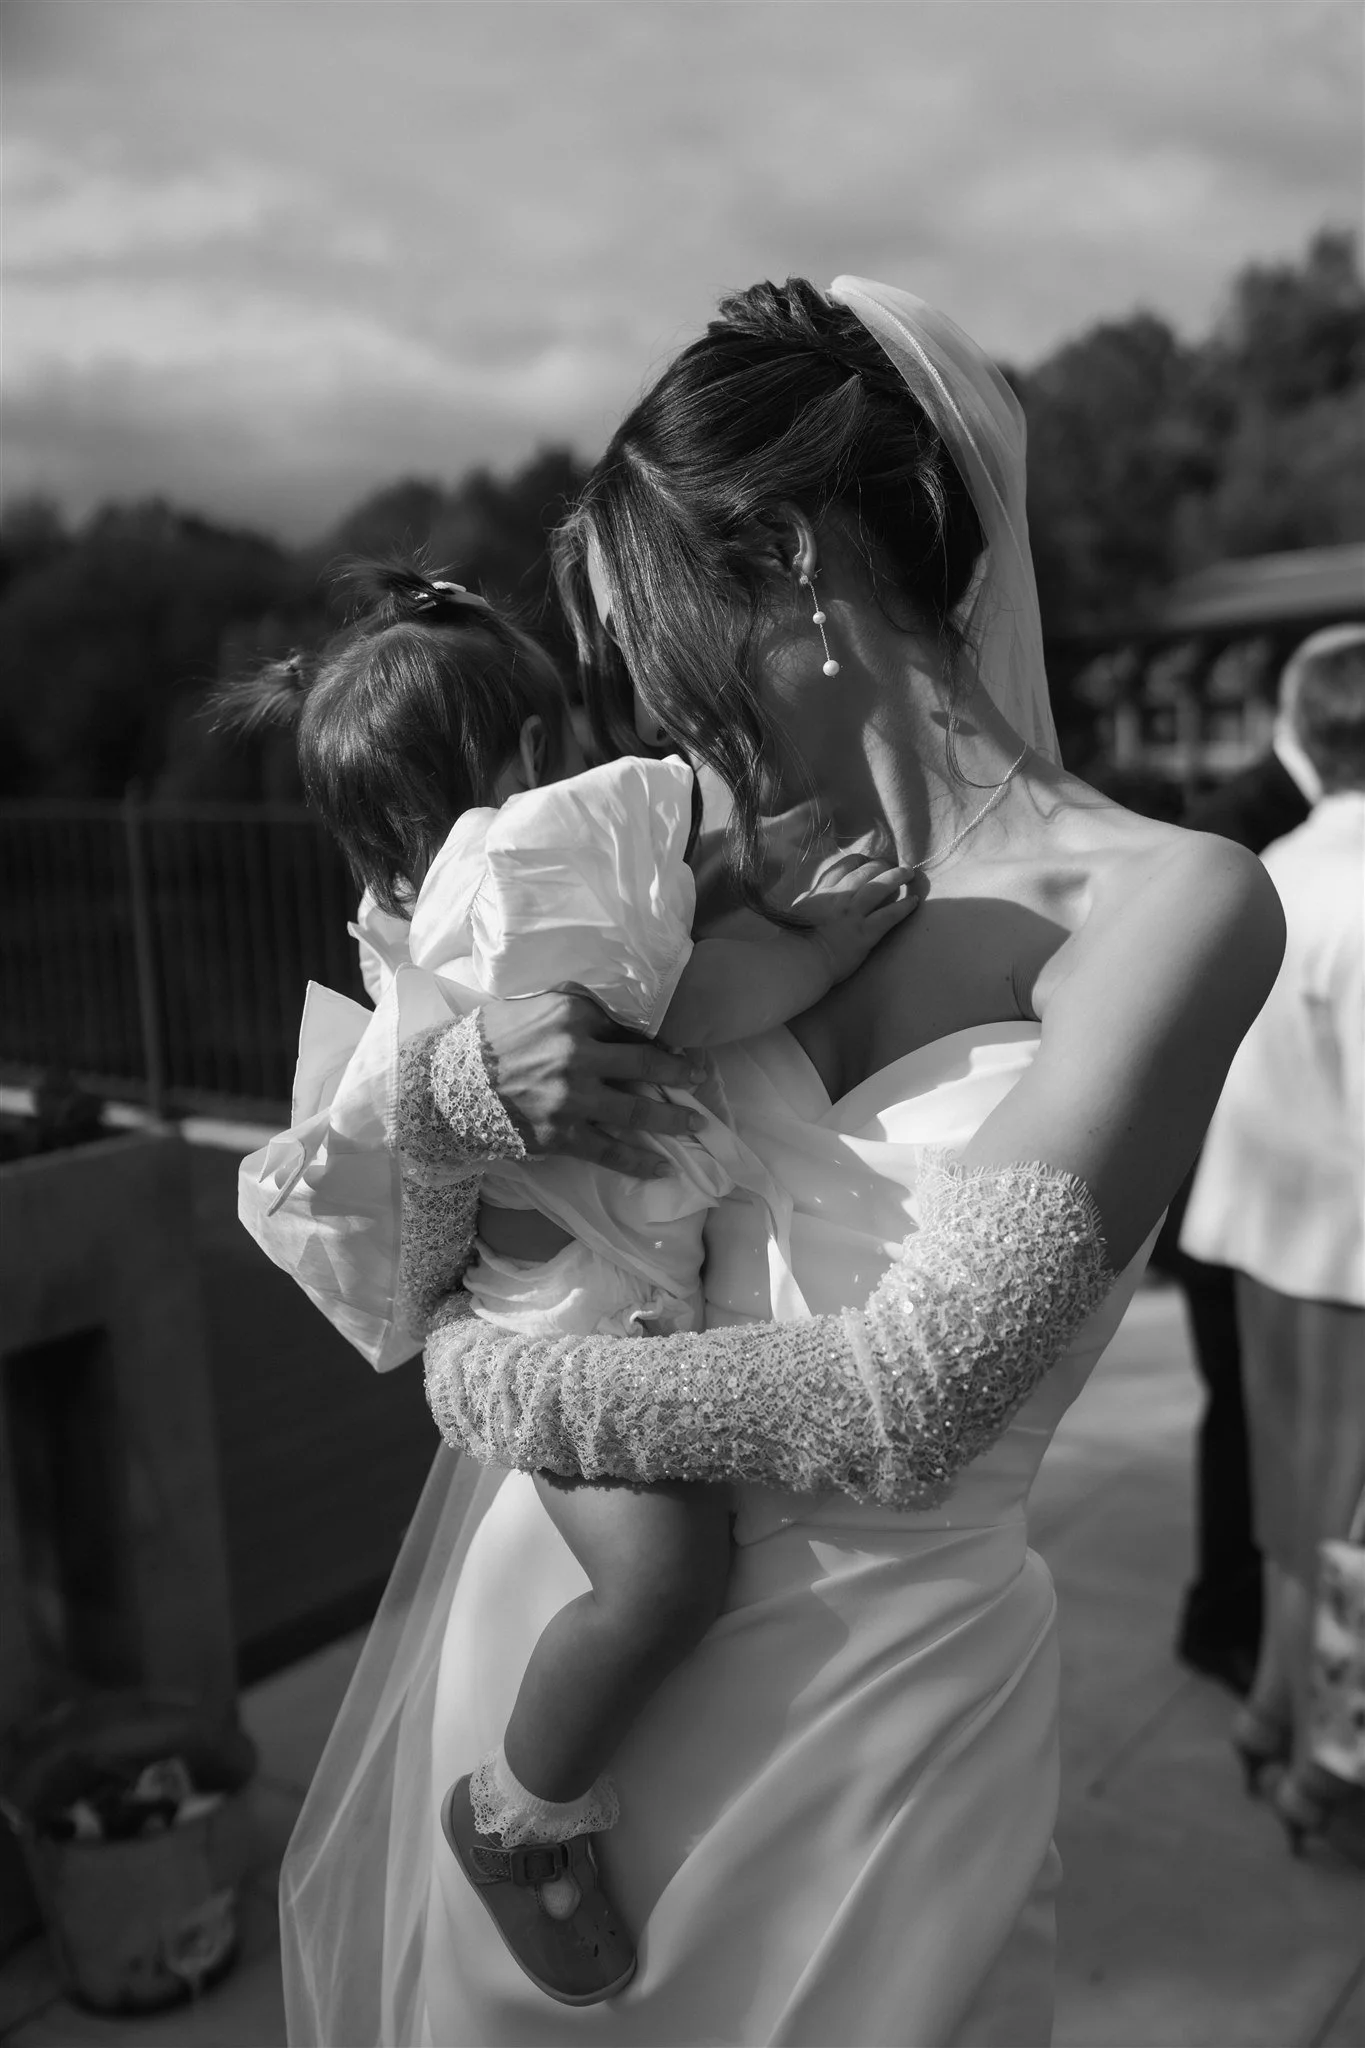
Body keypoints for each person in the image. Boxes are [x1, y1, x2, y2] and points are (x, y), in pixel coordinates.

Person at [280, 278, 1282, 2048]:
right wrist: (454, 1091)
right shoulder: (694, 869)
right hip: (564, 1643)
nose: (643, 689)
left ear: (799, 563)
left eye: (656, 624)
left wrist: (489, 1380)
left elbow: (912, 1394)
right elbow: (431, 1236)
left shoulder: (1171, 902)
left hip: (870, 1713)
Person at [230, 563, 915, 2004]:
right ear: (535, 755)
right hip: (576, 1341)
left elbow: (649, 947)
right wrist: (815, 940)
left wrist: (716, 881)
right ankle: (517, 1813)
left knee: (666, 1585)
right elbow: (686, 1001)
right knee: (664, 1583)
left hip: (589, 1308)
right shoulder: (525, 870)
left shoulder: (438, 911)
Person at [1180, 625, 1365, 1857]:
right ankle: (1326, 1767)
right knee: (1346, 1526)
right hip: (1346, 1254)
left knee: (1296, 1509)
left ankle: (1273, 1710)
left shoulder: (1278, 866)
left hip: (1257, 1233)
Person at [1161, 637, 1323, 1694]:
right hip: (1240, 1181)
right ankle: (1227, 1618)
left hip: (1290, 1190)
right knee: (1244, 1417)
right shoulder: (1238, 823)